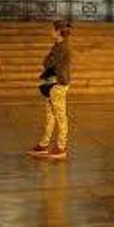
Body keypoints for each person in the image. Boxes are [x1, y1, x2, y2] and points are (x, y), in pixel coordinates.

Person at [30, 21, 73, 160]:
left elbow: (48, 63)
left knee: (60, 115)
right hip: (53, 83)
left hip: (58, 83)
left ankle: (61, 146)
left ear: (58, 31)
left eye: (52, 29)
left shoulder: (62, 47)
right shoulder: (59, 45)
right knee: (50, 115)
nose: (50, 32)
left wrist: (47, 59)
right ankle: (45, 143)